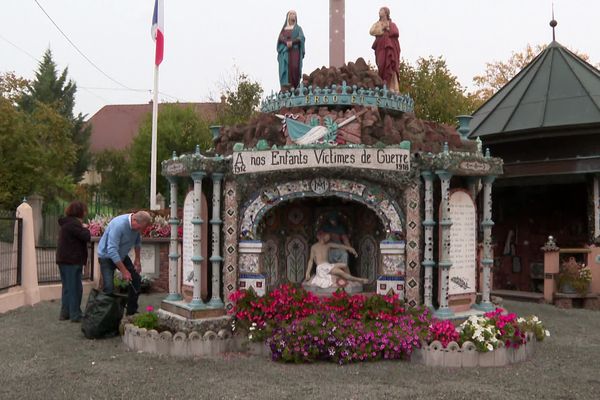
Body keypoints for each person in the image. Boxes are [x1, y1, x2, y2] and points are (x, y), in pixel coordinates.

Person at [97, 211, 152, 316]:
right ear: (134, 220)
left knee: (136, 279)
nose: (141, 231)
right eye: (140, 228)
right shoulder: (119, 225)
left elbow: (137, 242)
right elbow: (112, 250)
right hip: (106, 256)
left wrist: (137, 260)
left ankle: (131, 312)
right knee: (108, 287)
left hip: (121, 255)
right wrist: (124, 271)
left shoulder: (137, 227)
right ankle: (104, 315)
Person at [56, 201, 91, 322]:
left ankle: (65, 313)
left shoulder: (66, 223)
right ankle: (75, 315)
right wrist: (86, 228)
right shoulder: (74, 224)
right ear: (80, 212)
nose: (86, 213)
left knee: (67, 287)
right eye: (84, 210)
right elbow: (86, 236)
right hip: (72, 259)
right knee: (75, 288)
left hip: (63, 259)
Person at [304, 232, 368, 289]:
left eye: (328, 237)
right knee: (341, 272)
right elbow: (311, 260)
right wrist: (308, 272)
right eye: (326, 236)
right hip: (321, 267)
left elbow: (339, 246)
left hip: (328, 265)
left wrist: (350, 249)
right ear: (319, 237)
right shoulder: (314, 247)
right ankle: (359, 280)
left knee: (345, 265)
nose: (328, 238)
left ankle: (350, 278)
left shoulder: (328, 245)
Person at [369, 6, 400, 92]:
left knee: (390, 65)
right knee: (381, 64)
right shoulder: (377, 24)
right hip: (381, 47)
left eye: (381, 10)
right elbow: (371, 31)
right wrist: (383, 29)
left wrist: (388, 29)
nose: (379, 12)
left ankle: (391, 87)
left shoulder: (392, 24)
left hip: (390, 47)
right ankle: (383, 86)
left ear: (386, 13)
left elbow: (396, 32)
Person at [277, 10, 305, 91]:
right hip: (285, 52)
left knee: (294, 68)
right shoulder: (284, 29)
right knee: (285, 69)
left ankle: (294, 86)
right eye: (292, 14)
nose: (293, 15)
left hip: (295, 52)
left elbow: (301, 38)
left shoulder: (298, 28)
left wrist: (292, 42)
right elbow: (280, 39)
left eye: (294, 14)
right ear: (288, 16)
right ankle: (285, 86)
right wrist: (286, 43)